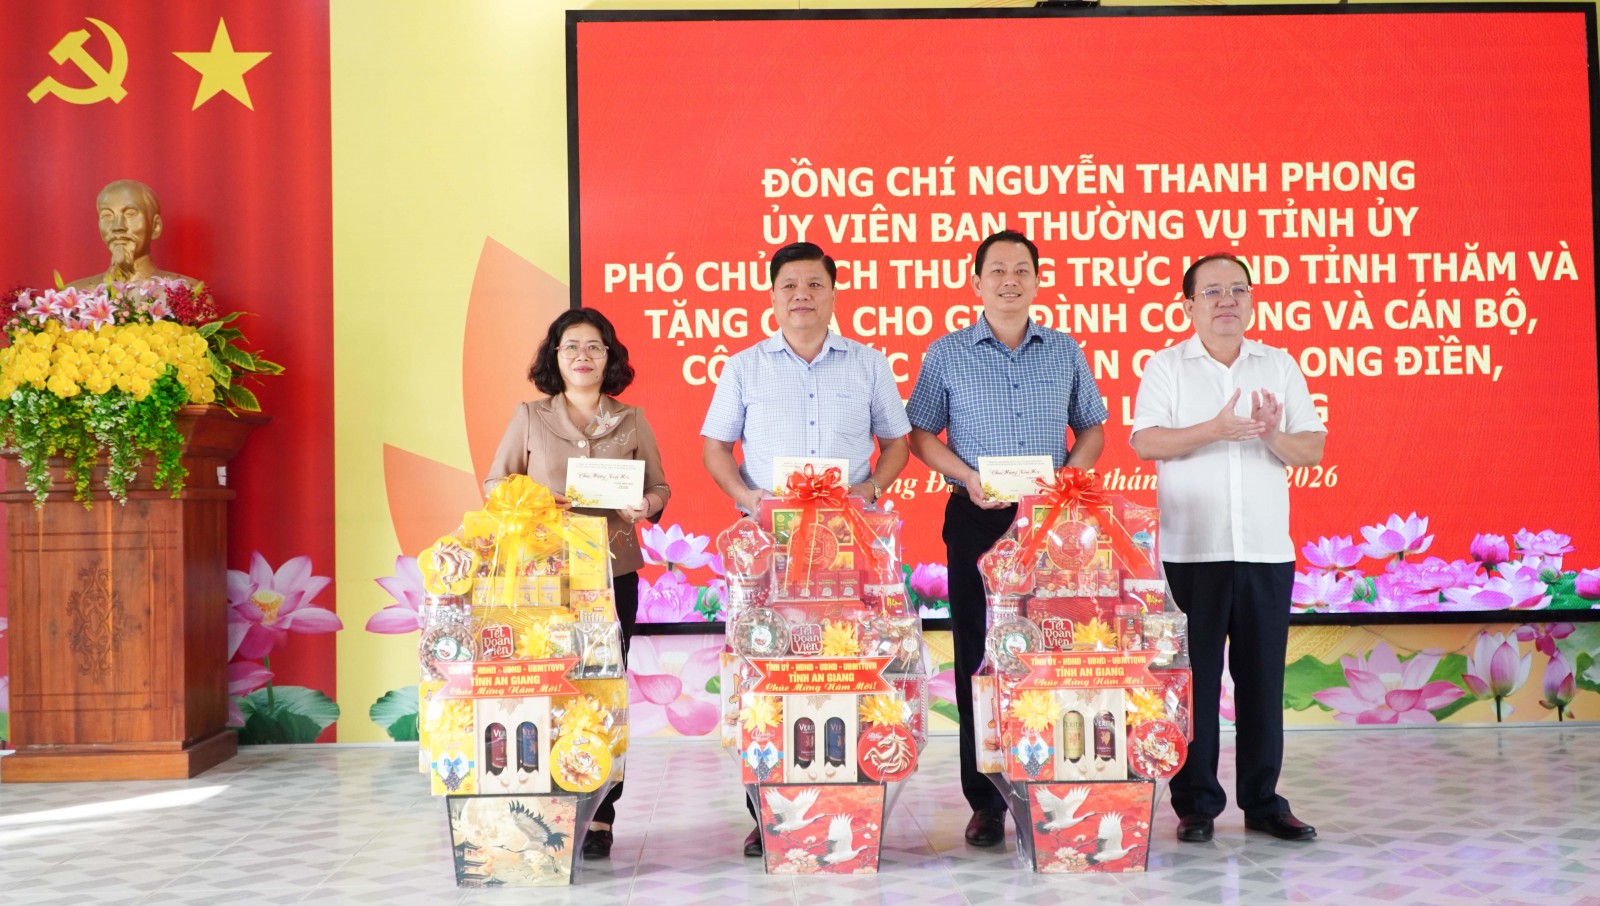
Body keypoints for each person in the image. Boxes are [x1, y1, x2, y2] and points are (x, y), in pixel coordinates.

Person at [701, 240, 911, 856]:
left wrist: (870, 489)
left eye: (815, 284)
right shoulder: (744, 367)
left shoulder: (869, 363)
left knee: (848, 661)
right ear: (772, 295)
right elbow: (716, 447)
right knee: (767, 669)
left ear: (833, 293)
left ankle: (851, 797)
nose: (802, 295)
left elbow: (897, 442)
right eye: (789, 285)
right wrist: (749, 499)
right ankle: (767, 807)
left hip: (850, 543)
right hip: (772, 544)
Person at [906, 230, 1107, 848]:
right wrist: (966, 477)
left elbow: (1092, 428)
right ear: (977, 283)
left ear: (1038, 281)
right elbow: (920, 435)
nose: (1010, 280)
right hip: (977, 517)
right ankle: (987, 801)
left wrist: (1068, 483)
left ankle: (1048, 781)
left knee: (1051, 651)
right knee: (979, 656)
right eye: (997, 270)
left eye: (1022, 270)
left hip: (1050, 525)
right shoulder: (946, 353)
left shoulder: (1065, 350)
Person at [1129, 253, 1326, 844]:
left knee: (1262, 682)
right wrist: (1215, 429)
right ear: (1188, 304)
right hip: (1191, 552)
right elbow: (1145, 442)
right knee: (1195, 683)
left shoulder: (1279, 364)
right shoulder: (1166, 366)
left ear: (1251, 299)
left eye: (1238, 289)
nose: (1226, 301)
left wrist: (1270, 433)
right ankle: (1196, 805)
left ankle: (1263, 802)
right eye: (1212, 291)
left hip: (1265, 551)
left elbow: (1312, 449)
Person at [484, 307, 670, 860]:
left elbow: (659, 487)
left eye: (594, 346)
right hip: (544, 580)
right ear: (556, 357)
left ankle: (601, 815)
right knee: (551, 688)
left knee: (604, 691)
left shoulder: (632, 419)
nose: (583, 356)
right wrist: (538, 501)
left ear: (609, 357)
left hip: (613, 576)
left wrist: (647, 505)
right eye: (571, 347)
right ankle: (548, 807)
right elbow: (496, 484)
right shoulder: (529, 416)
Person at [67, 179, 197, 289]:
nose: (117, 227)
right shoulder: (74, 295)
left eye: (130, 214)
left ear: (155, 226)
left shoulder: (187, 293)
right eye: (107, 216)